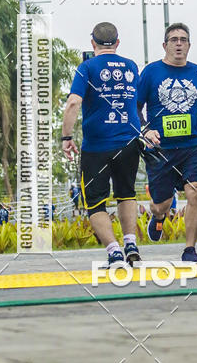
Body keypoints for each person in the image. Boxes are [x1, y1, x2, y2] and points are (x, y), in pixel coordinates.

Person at [61, 21, 159, 267]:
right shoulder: (131, 66)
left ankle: (115, 252)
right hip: (128, 142)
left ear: (92, 43)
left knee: (95, 202)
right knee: (126, 194)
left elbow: (73, 103)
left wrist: (66, 137)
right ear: (117, 43)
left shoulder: (87, 67)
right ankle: (131, 243)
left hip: (96, 146)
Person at [137, 22, 197, 264]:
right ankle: (160, 217)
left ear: (189, 45)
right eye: (174, 40)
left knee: (196, 194)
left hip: (192, 146)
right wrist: (146, 130)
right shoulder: (151, 72)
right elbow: (136, 106)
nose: (179, 44)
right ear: (165, 45)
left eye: (183, 40)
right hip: (160, 149)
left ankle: (190, 250)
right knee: (160, 204)